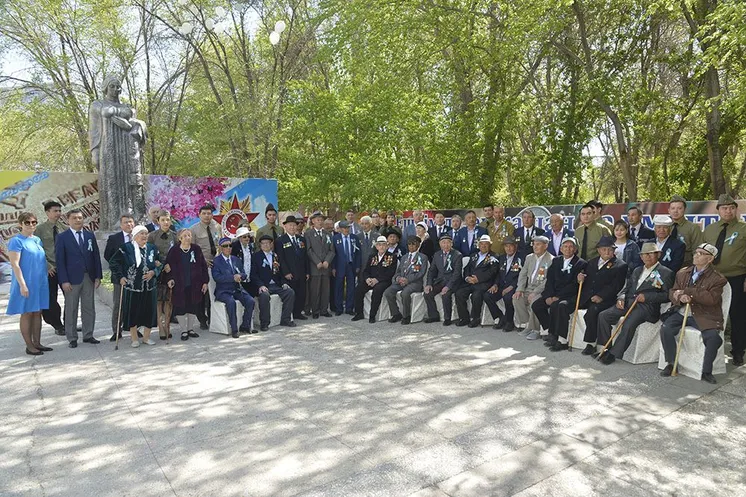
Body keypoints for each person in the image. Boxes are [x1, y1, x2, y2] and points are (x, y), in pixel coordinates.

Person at [595, 243, 675, 364]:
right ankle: (605, 348)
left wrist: (646, 297)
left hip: (647, 307)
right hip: (629, 302)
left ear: (658, 255)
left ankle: (613, 354)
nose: (647, 257)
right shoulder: (637, 270)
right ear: (641, 257)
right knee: (604, 315)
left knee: (629, 322)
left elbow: (667, 295)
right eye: (644, 254)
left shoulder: (666, 272)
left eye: (651, 254)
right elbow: (627, 288)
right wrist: (621, 298)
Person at [659, 243, 727, 383]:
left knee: (713, 338)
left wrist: (688, 292)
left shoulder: (718, 278)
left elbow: (711, 299)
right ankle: (671, 363)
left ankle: (707, 371)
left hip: (704, 314)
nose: (696, 255)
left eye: (701, 253)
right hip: (682, 311)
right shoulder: (683, 273)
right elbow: (672, 292)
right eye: (696, 252)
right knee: (665, 328)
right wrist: (680, 297)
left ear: (710, 259)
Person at [703, 194, 746, 367]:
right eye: (724, 208)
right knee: (711, 313)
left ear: (736, 209)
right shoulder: (710, 229)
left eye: (731, 208)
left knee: (737, 316)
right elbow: (703, 254)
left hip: (737, 277)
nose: (728, 211)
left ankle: (738, 351)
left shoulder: (743, 228)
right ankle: (709, 351)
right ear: (718, 211)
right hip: (713, 278)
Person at [55, 209, 102, 348]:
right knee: (71, 308)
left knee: (89, 307)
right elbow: (60, 261)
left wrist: (98, 276)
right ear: (68, 220)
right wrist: (64, 280)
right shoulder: (62, 237)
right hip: (71, 279)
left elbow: (96, 256)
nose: (78, 220)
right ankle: (72, 337)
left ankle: (88, 334)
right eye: (74, 218)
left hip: (88, 277)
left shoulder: (89, 235)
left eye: (80, 218)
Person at [6, 212, 51, 355]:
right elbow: (15, 264)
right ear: (20, 224)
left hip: (40, 282)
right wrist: (22, 285)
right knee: (27, 313)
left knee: (37, 312)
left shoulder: (37, 240)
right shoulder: (16, 241)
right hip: (26, 282)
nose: (31, 225)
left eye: (33, 222)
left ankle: (37, 343)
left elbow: (40, 259)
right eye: (27, 222)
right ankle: (29, 346)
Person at [108, 225, 160, 348]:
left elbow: (159, 263)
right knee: (133, 312)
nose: (144, 236)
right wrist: (121, 276)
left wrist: (153, 272)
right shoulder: (126, 248)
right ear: (135, 236)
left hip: (149, 287)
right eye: (141, 234)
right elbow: (113, 262)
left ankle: (146, 337)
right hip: (133, 286)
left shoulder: (152, 248)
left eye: (146, 234)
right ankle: (134, 338)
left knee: (149, 312)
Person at [532, 237, 587, 351]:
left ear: (575, 249)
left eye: (571, 247)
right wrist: (548, 296)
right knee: (537, 305)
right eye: (565, 246)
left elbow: (574, 285)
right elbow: (550, 280)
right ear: (561, 249)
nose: (568, 249)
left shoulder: (581, 263)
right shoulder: (556, 261)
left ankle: (562, 340)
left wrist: (558, 297)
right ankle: (550, 331)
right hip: (553, 293)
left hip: (569, 296)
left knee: (558, 306)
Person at [576, 236, 628, 355]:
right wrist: (580, 278)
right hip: (588, 296)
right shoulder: (592, 262)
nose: (607, 252)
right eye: (604, 249)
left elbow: (616, 286)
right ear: (599, 250)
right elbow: (586, 278)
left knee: (592, 312)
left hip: (606, 299)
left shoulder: (620, 265)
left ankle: (591, 343)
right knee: (565, 305)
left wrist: (601, 296)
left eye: (610, 249)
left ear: (614, 250)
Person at [165, 229, 210, 341]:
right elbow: (168, 266)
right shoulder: (174, 250)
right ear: (179, 238)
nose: (187, 238)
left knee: (193, 307)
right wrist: (170, 278)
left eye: (189, 235)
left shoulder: (196, 249)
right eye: (184, 236)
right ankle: (183, 330)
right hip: (179, 284)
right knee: (180, 307)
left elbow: (203, 266)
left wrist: (205, 282)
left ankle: (190, 329)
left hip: (195, 284)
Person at [212, 237, 255, 337]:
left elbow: (244, 274)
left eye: (230, 245)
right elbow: (217, 277)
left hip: (237, 289)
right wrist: (232, 277)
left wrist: (240, 276)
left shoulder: (236, 259)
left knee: (250, 301)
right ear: (220, 248)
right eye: (225, 246)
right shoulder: (216, 261)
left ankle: (245, 325)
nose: (228, 248)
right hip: (223, 291)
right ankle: (234, 329)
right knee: (231, 302)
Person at [251, 235, 296, 330]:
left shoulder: (275, 256)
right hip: (264, 285)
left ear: (271, 244)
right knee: (264, 296)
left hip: (276, 284)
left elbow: (281, 272)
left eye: (268, 243)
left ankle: (285, 319)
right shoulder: (256, 256)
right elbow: (253, 275)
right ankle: (264, 323)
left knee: (290, 292)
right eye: (263, 243)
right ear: (260, 245)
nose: (266, 245)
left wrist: (284, 283)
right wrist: (261, 285)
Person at [455, 235, 500, 327]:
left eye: (486, 244)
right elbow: (467, 268)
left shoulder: (494, 256)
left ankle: (475, 318)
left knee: (476, 296)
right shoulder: (473, 255)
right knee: (459, 293)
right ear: (478, 245)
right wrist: (467, 278)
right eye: (482, 244)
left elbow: (492, 272)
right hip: (470, 282)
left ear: (490, 245)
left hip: (483, 284)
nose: (484, 246)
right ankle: (464, 318)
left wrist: (478, 279)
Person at [514, 235, 554, 340]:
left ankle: (536, 330)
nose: (535, 247)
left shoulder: (551, 259)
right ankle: (527, 324)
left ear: (545, 246)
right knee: (517, 298)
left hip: (541, 290)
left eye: (538, 244)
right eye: (534, 244)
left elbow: (548, 280)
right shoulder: (529, 257)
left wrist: (535, 292)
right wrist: (520, 289)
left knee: (535, 302)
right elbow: (523, 274)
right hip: (529, 288)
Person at [35, 201, 65, 335]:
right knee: (51, 298)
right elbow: (37, 250)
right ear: (47, 212)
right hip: (50, 269)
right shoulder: (40, 229)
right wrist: (47, 266)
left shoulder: (64, 228)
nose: (58, 213)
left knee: (70, 297)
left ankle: (69, 323)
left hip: (64, 268)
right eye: (55, 211)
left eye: (59, 211)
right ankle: (57, 325)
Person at [104, 213, 135, 341]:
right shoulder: (114, 239)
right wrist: (119, 270)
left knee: (135, 303)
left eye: (131, 222)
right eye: (126, 222)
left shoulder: (139, 236)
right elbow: (108, 256)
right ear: (121, 225)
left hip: (136, 276)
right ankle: (117, 331)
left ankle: (135, 329)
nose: (129, 224)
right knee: (119, 304)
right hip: (119, 276)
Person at [384, 236, 429, 325]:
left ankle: (406, 315)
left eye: (413, 244)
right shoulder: (404, 257)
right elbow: (398, 271)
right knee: (388, 292)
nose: (411, 246)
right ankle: (396, 314)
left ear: (418, 245)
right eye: (409, 244)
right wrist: (398, 278)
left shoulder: (423, 257)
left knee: (405, 293)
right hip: (401, 282)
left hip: (415, 283)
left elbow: (421, 273)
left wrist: (407, 280)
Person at [352, 236, 398, 323]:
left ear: (387, 246)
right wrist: (367, 279)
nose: (381, 247)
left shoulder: (392, 256)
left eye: (384, 245)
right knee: (359, 289)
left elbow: (390, 273)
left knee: (377, 290)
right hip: (371, 280)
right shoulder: (372, 256)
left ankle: (372, 315)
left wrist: (377, 280)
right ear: (376, 246)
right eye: (379, 245)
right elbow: (366, 271)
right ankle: (359, 313)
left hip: (384, 281)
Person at [147, 210, 178, 340]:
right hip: (158, 271)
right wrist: (156, 262)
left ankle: (167, 326)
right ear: (158, 221)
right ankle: (160, 327)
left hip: (170, 271)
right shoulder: (152, 236)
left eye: (168, 220)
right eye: (163, 220)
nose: (166, 222)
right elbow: (148, 252)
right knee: (159, 300)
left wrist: (172, 265)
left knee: (169, 300)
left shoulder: (175, 236)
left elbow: (177, 253)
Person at [191, 204, 221, 330]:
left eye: (209, 213)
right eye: (204, 213)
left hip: (216, 264)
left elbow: (220, 244)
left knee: (213, 293)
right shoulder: (194, 230)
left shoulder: (217, 226)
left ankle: (212, 317)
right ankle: (202, 319)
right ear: (199, 215)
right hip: (201, 266)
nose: (207, 216)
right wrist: (203, 261)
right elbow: (192, 250)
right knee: (202, 294)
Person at [424, 233, 463, 325]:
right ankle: (434, 316)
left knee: (446, 295)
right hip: (440, 281)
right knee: (427, 293)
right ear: (440, 244)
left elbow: (457, 273)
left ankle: (447, 318)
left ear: (451, 244)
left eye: (448, 242)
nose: (446, 245)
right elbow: (432, 271)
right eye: (443, 243)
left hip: (453, 282)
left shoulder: (457, 255)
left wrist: (448, 286)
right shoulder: (437, 255)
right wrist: (429, 284)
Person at [485, 236, 523, 331]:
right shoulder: (501, 258)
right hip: (501, 285)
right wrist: (495, 285)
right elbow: (498, 274)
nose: (508, 248)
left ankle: (509, 322)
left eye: (511, 246)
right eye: (506, 246)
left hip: (514, 286)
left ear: (515, 246)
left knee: (508, 297)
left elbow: (522, 275)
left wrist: (512, 286)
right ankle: (499, 317)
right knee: (487, 296)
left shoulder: (521, 258)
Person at [275, 215, 308, 321]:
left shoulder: (301, 239)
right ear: (285, 226)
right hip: (289, 272)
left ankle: (298, 313)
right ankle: (291, 313)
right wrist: (286, 272)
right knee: (292, 293)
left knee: (301, 293)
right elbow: (280, 258)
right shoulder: (280, 240)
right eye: (290, 225)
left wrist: (307, 271)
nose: (292, 227)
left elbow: (305, 257)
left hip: (301, 271)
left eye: (294, 225)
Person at [307, 211, 335, 318]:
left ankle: (324, 310)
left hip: (326, 267)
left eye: (321, 220)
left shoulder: (328, 234)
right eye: (318, 220)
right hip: (315, 267)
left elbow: (332, 250)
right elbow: (309, 250)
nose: (320, 222)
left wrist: (327, 261)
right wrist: (317, 261)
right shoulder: (308, 234)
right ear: (313, 221)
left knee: (325, 290)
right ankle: (315, 311)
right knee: (315, 290)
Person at [332, 221, 361, 315]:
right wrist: (333, 267)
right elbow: (333, 254)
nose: (346, 230)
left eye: (348, 228)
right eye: (344, 228)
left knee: (351, 287)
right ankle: (339, 308)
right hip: (339, 266)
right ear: (340, 229)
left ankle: (349, 308)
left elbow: (358, 253)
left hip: (351, 265)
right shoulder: (335, 238)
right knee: (338, 287)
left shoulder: (354, 238)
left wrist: (358, 265)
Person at [668, 195, 703, 267]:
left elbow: (697, 250)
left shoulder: (693, 228)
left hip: (685, 265)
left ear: (684, 210)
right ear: (669, 210)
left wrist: (694, 268)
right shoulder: (665, 227)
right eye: (673, 208)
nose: (675, 211)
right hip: (666, 265)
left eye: (679, 208)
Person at [231, 226, 255, 293]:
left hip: (250, 276)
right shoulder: (234, 247)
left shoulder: (250, 246)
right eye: (244, 237)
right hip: (239, 277)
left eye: (248, 236)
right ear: (239, 238)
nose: (247, 238)